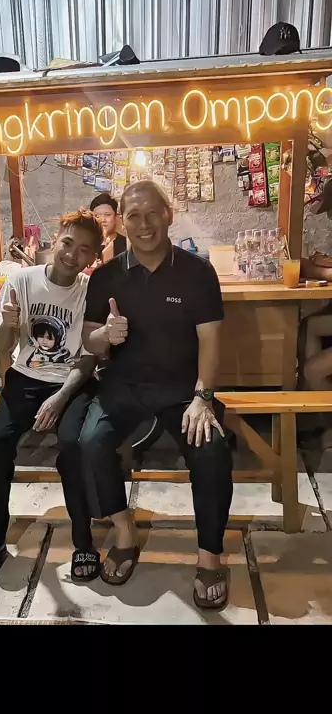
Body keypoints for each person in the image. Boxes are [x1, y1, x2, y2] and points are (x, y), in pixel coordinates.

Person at [56, 180, 234, 610]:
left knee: (212, 451)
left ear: (168, 213)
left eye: (152, 212)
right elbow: (89, 341)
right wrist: (104, 335)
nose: (144, 223)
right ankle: (123, 531)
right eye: (133, 215)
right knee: (90, 441)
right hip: (124, 386)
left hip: (183, 392)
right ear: (122, 222)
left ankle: (209, 555)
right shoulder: (106, 276)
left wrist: (204, 396)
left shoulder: (197, 272)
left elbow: (211, 339)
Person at [0, 209, 103, 585]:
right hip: (25, 378)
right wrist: (8, 328)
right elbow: (2, 347)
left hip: (73, 382)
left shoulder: (90, 291)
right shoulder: (21, 281)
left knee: (74, 445)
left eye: (84, 250)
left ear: (93, 257)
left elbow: (89, 357)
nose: (72, 254)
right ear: (54, 240)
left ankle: (84, 542)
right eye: (67, 243)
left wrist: (59, 398)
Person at [90, 192, 127, 261]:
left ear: (116, 217)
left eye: (107, 215)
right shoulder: (88, 244)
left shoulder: (126, 244)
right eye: (97, 216)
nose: (103, 220)